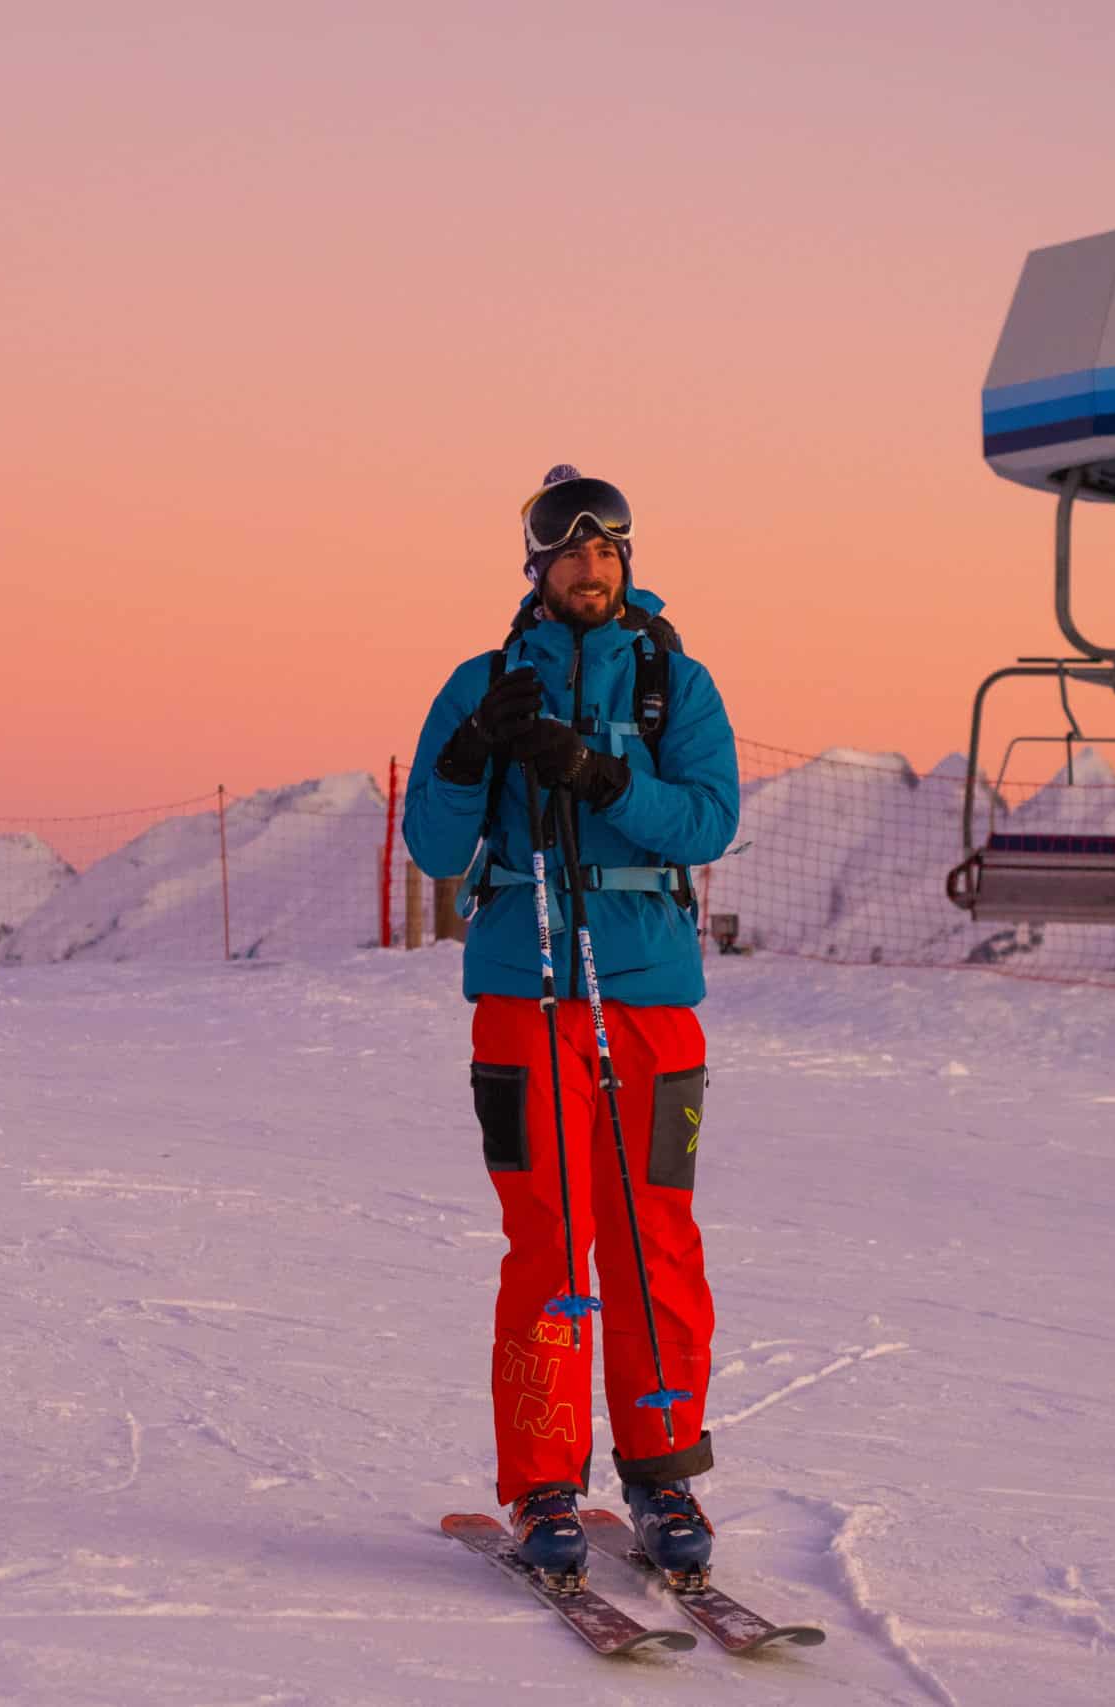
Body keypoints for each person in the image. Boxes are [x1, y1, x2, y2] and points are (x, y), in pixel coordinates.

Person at [405, 466, 740, 1587]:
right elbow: (436, 850)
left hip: (647, 992)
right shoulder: (481, 681)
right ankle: (545, 1483)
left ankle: (660, 1471)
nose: (588, 567)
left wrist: (596, 775)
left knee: (653, 1236)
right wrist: (470, 756)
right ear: (538, 568)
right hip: (525, 991)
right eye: (569, 553)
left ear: (625, 562)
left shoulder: (671, 684)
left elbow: (707, 820)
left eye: (606, 552)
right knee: (547, 1236)